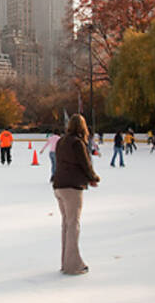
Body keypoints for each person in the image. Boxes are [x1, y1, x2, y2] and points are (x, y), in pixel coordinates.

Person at [53, 114, 100, 276]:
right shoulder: (77, 143)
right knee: (73, 225)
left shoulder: (61, 141)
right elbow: (85, 163)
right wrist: (93, 178)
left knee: (66, 224)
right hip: (72, 187)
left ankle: (66, 262)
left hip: (58, 185)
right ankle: (73, 265)